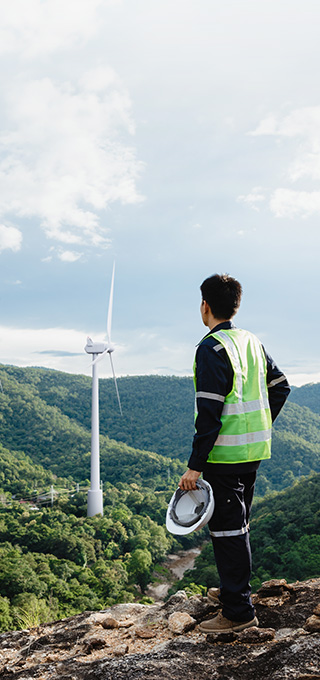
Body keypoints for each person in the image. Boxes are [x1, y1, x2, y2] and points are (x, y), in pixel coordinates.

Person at [178, 274, 290, 633]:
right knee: (236, 526)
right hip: (253, 451)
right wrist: (259, 423)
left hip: (223, 457)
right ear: (236, 305)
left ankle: (238, 613)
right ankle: (232, 590)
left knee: (228, 531)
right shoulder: (251, 341)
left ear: (205, 306)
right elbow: (281, 386)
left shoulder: (210, 349)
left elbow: (209, 415)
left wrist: (194, 467)